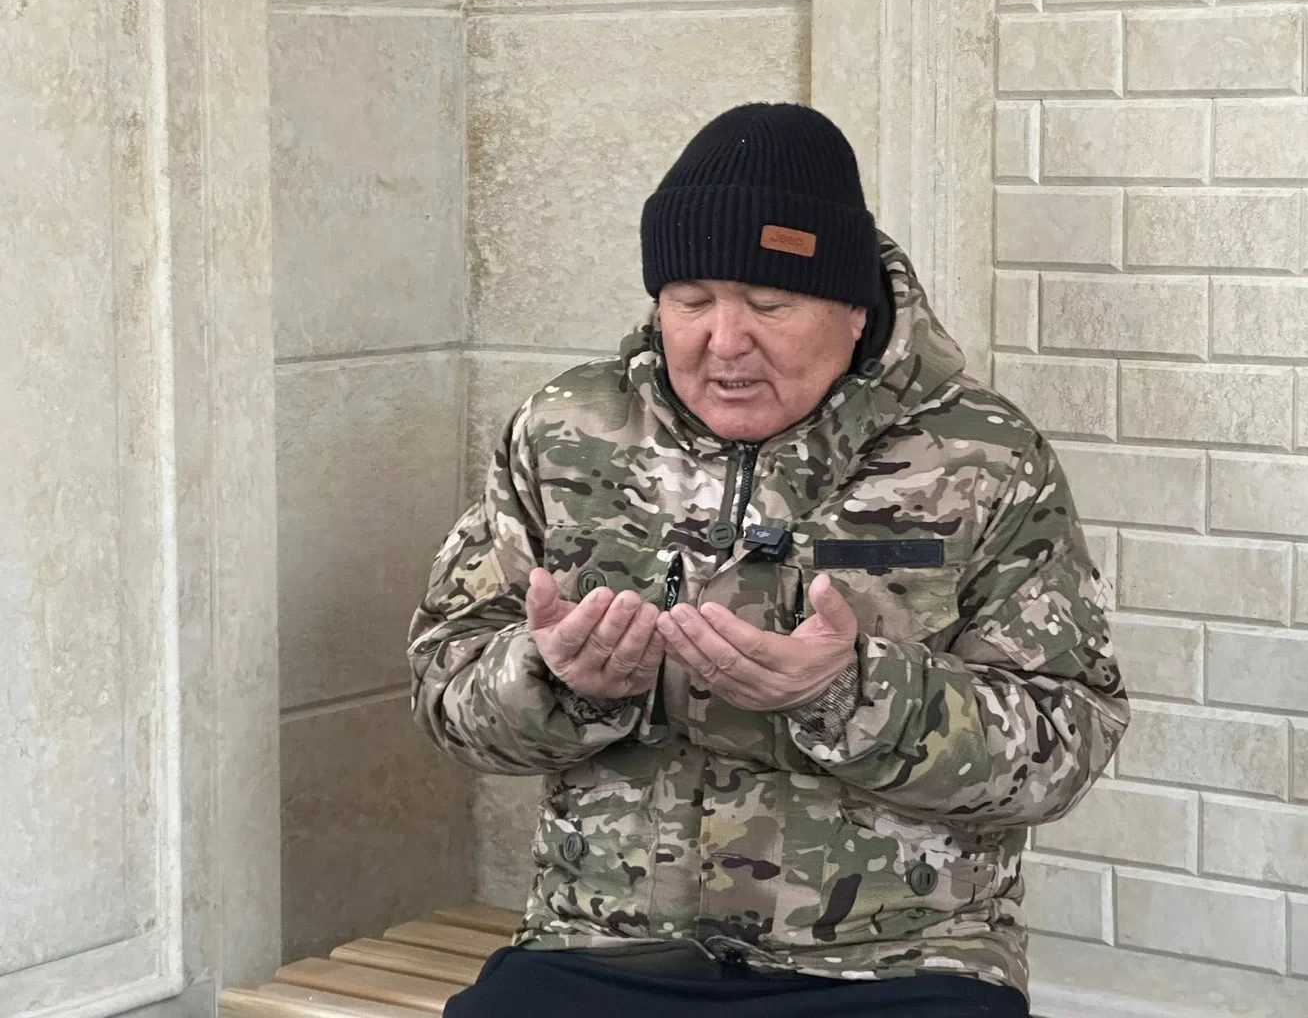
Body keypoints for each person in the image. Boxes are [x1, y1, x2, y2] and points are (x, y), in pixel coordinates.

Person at [407, 102, 1129, 1018]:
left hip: (900, 963)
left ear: (854, 307)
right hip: (605, 946)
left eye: (769, 304)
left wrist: (849, 693)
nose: (724, 341)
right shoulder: (563, 432)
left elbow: (1068, 739)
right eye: (691, 300)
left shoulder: (984, 458)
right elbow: (444, 686)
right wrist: (555, 682)